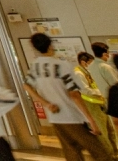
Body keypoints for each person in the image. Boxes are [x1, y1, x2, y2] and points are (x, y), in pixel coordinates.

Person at [23, 33, 109, 161]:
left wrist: (46, 104)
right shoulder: (62, 65)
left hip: (55, 117)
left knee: (71, 151)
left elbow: (27, 86)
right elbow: (74, 95)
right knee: (98, 151)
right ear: (51, 45)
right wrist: (91, 120)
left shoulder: (36, 66)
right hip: (72, 116)